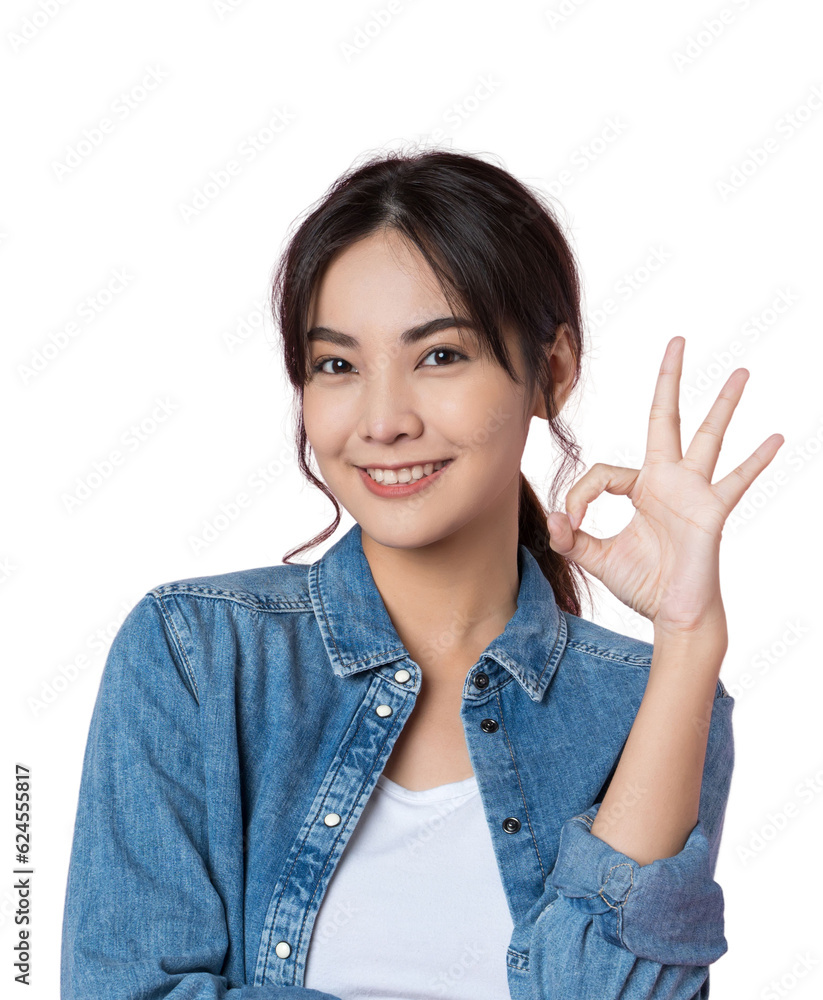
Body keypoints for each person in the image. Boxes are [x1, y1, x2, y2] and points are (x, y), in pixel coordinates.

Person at [60, 148, 783, 999]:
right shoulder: (198, 655)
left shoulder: (644, 703)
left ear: (551, 371)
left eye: (439, 356)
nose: (383, 419)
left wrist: (688, 641)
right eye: (337, 365)